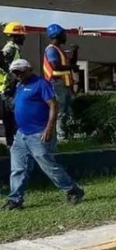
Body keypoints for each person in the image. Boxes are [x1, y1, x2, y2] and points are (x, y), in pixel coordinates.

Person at [2, 59, 84, 210]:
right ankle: (15, 199)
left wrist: (49, 128)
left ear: (29, 69)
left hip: (39, 134)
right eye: (15, 73)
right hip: (22, 135)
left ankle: (72, 190)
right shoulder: (20, 86)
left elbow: (53, 105)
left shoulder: (41, 84)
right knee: (18, 168)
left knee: (49, 166)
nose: (17, 75)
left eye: (20, 72)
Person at [42, 24, 78, 139]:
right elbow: (55, 66)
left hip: (64, 85)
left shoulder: (59, 50)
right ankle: (61, 138)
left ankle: (68, 136)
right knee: (61, 111)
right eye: (63, 34)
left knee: (68, 111)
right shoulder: (51, 50)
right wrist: (72, 67)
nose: (65, 36)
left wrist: (75, 52)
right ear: (57, 35)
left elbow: (69, 63)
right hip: (56, 84)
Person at [0, 22, 26, 146]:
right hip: (7, 88)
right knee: (12, 117)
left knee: (11, 117)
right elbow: (2, 62)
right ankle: (13, 144)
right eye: (22, 36)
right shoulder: (9, 49)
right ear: (16, 36)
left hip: (11, 87)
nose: (24, 38)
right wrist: (12, 73)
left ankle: (13, 144)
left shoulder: (14, 49)